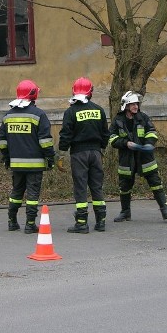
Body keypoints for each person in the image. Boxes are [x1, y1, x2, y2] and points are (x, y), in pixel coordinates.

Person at [0, 79, 55, 233]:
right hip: (35, 164)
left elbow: (2, 142)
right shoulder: (38, 115)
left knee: (16, 192)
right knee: (32, 194)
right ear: (34, 94)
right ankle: (30, 224)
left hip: (16, 164)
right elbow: (45, 141)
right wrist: (50, 158)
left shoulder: (8, 116)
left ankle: (12, 221)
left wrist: (7, 157)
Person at [108, 91, 167, 222]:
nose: (136, 106)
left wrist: (149, 144)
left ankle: (165, 209)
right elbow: (111, 138)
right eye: (132, 104)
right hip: (127, 158)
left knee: (155, 182)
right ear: (126, 105)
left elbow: (152, 132)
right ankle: (125, 212)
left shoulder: (143, 118)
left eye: (137, 104)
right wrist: (126, 143)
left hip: (145, 158)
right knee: (125, 186)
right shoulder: (118, 121)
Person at [58, 77, 109, 234]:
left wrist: (61, 154)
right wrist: (101, 149)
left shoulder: (71, 112)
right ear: (90, 92)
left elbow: (65, 135)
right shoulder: (99, 110)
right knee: (96, 186)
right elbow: (105, 134)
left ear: (74, 91)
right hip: (95, 153)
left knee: (81, 187)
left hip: (79, 154)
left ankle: (81, 223)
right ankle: (101, 222)